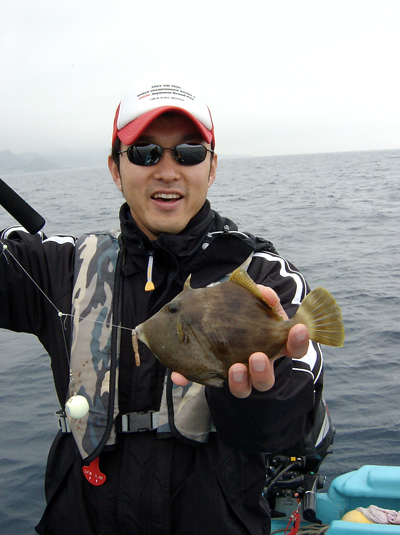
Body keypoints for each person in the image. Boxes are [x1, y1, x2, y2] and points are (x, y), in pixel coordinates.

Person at [0, 78, 324, 535]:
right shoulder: (64, 266)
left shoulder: (265, 276)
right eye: (145, 152)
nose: (168, 171)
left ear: (211, 168)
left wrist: (259, 396)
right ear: (116, 169)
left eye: (189, 152)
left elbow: (290, 422)